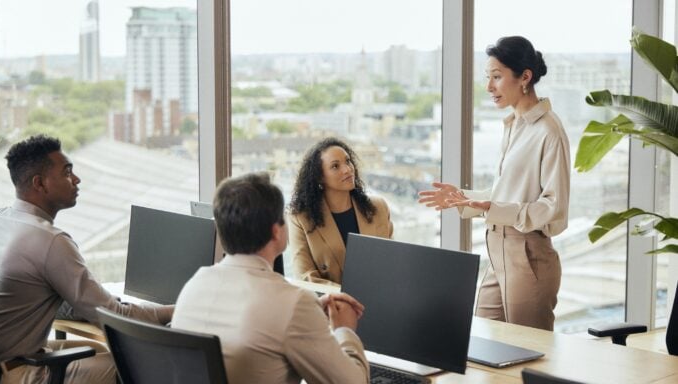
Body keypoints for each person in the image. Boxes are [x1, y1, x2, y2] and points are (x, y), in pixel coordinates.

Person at [419, 36, 570, 331]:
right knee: (485, 344)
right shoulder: (513, 125)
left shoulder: (549, 131)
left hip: (528, 257)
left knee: (527, 358)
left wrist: (492, 208)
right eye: (488, 77)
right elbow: (508, 196)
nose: (489, 87)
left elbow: (554, 209)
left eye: (497, 77)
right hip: (497, 254)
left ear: (524, 77)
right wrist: (463, 198)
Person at [0, 135, 173, 384]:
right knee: (136, 364)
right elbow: (117, 317)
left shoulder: (1, 219)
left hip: (5, 359)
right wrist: (179, 308)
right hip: (15, 372)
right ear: (40, 183)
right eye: (67, 172)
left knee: (100, 350)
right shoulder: (49, 240)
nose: (77, 179)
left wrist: (93, 301)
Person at [172, 173, 369, 384]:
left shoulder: (194, 285)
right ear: (276, 232)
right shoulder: (292, 304)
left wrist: (309, 314)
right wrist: (344, 330)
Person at [288, 137, 394, 285]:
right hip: (332, 305)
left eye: (348, 161)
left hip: (379, 300)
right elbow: (305, 276)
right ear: (319, 177)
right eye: (335, 166)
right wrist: (346, 298)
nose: (347, 169)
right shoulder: (300, 218)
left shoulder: (378, 207)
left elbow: (390, 262)